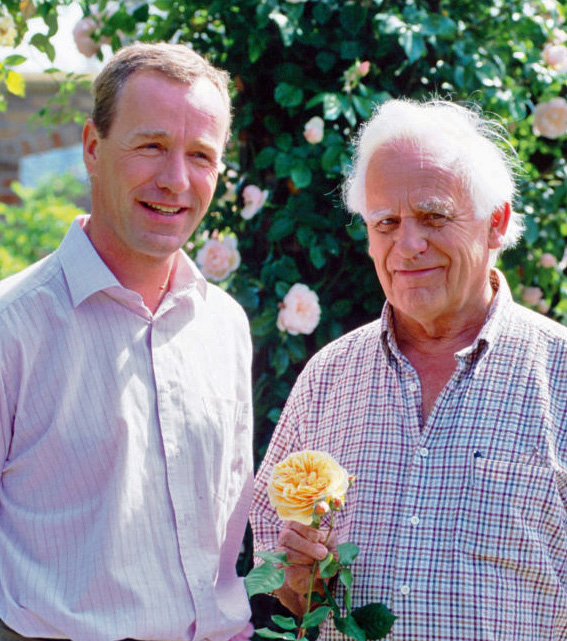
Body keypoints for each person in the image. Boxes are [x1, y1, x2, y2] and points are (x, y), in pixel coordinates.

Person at [250, 99, 567, 640]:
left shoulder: (558, 376)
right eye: (386, 222)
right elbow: (278, 592)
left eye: (434, 216)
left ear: (497, 223)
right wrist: (294, 581)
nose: (408, 245)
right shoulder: (327, 379)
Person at [0, 43, 254, 641]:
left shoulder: (226, 326)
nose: (175, 180)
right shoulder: (13, 326)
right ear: (92, 148)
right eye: (151, 146)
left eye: (200, 155)